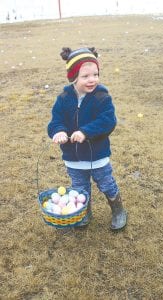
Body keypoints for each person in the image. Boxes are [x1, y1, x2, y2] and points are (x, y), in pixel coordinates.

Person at [47, 46, 127, 230]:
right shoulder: (63, 98)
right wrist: (58, 131)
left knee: (107, 184)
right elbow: (55, 121)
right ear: (73, 77)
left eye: (95, 74)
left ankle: (118, 210)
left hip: (97, 156)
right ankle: (84, 212)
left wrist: (85, 131)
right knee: (80, 189)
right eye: (85, 76)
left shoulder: (102, 97)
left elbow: (108, 121)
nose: (92, 80)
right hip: (73, 159)